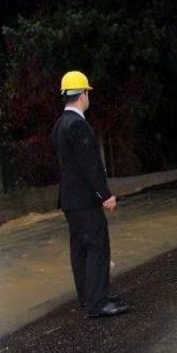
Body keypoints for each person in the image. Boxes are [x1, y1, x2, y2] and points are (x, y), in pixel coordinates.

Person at [51, 71, 129, 318]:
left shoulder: (59, 125)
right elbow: (90, 165)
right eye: (88, 93)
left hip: (70, 201)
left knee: (80, 249)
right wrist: (105, 194)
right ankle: (98, 304)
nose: (88, 97)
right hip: (85, 201)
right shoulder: (78, 125)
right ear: (83, 94)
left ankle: (90, 297)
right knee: (97, 247)